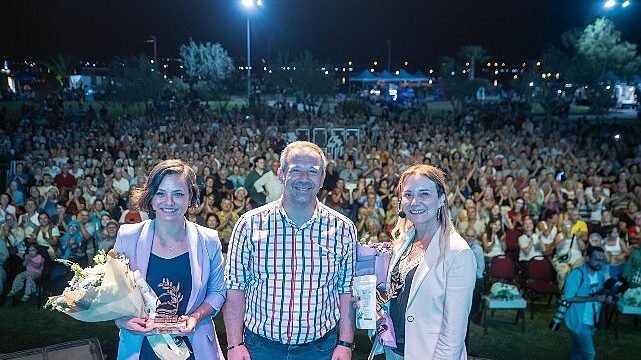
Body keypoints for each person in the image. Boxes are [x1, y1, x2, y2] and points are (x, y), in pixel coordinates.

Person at [224, 141, 356, 360]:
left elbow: (346, 290)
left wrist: (345, 343)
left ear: (322, 178)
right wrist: (234, 344)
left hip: (321, 349)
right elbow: (235, 288)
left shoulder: (343, 228)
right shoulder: (249, 224)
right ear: (281, 174)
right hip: (260, 348)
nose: (304, 179)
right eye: (295, 170)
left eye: (312, 172)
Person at [113, 159, 226, 359]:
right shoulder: (127, 236)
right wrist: (122, 320)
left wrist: (195, 317)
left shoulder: (208, 240)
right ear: (151, 197)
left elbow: (217, 292)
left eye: (178, 194)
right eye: (161, 193)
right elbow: (114, 294)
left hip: (195, 348)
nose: (169, 202)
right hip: (141, 349)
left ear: (191, 196)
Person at [376, 164, 476, 360]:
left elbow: (454, 332)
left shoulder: (458, 252)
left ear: (441, 200)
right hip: (393, 351)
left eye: (424, 194)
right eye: (408, 194)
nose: (414, 201)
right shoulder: (402, 242)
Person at [563, 246, 610, 360]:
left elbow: (600, 294)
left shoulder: (600, 275)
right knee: (589, 354)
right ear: (588, 258)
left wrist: (607, 297)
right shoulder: (577, 274)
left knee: (578, 349)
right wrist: (594, 298)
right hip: (579, 320)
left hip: (592, 319)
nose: (600, 263)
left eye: (602, 260)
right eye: (596, 259)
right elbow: (569, 297)